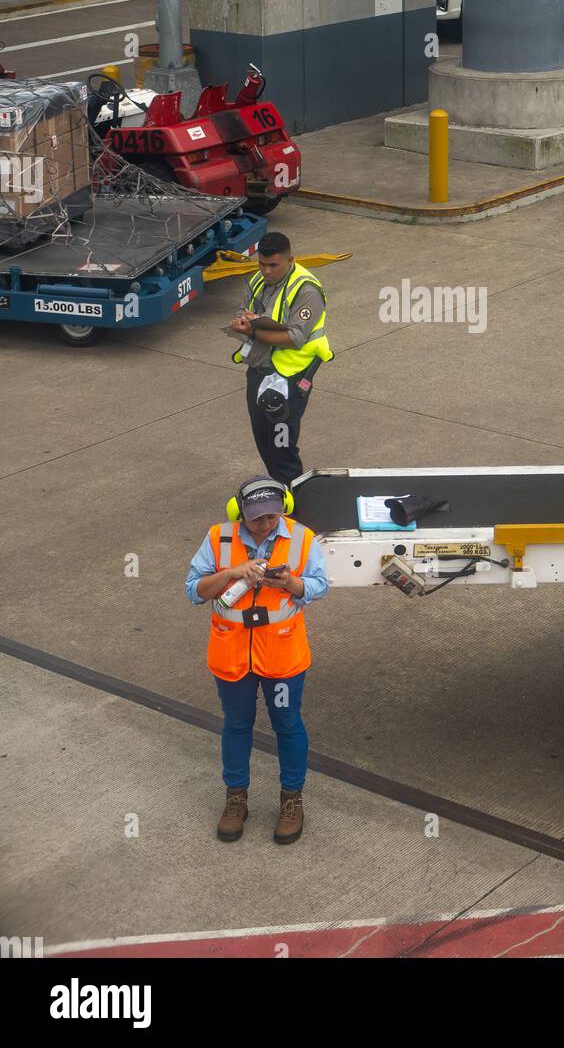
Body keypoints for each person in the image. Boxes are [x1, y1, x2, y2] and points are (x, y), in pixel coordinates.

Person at [185, 475, 329, 843]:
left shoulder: (301, 538)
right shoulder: (218, 538)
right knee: (236, 724)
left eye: (272, 516)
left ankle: (291, 801)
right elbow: (194, 591)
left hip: (282, 656)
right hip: (232, 655)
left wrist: (290, 585)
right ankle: (236, 800)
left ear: (283, 509)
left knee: (287, 724)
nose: (265, 525)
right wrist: (232, 573)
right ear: (240, 514)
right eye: (256, 518)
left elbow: (319, 585)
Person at [228, 232, 333, 485]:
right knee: (263, 438)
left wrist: (253, 330)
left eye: (273, 265)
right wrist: (242, 322)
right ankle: (280, 496)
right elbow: (244, 310)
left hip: (290, 377)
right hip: (259, 370)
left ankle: (292, 504)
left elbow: (295, 337)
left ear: (290, 260)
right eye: (262, 264)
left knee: (282, 447)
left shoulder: (307, 290)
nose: (266, 271)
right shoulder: (257, 280)